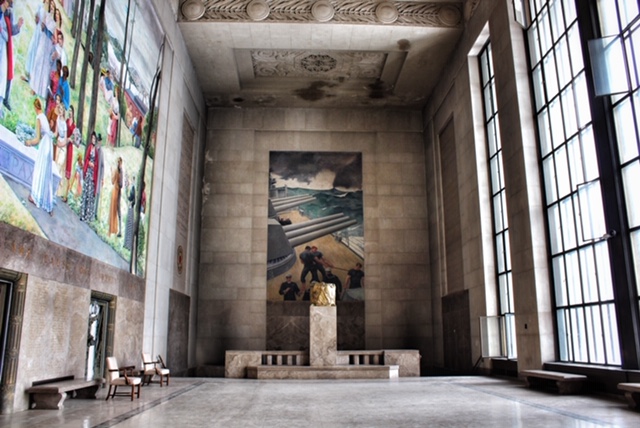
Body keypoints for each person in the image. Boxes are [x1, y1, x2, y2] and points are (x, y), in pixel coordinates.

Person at [24, 98, 54, 216]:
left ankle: (35, 196)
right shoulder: (44, 116)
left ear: (35, 107)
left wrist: (28, 142)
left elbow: (37, 139)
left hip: (44, 145)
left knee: (39, 169)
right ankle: (45, 200)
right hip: (49, 145)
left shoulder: (38, 118)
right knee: (45, 172)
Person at [2, 0, 23, 112]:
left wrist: (18, 26)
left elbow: (10, 31)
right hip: (2, 43)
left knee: (8, 71)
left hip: (7, 45)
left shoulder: (10, 12)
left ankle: (6, 98)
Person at [79, 132, 100, 222]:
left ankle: (88, 215)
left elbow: (97, 164)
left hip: (92, 174)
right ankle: (82, 214)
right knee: (85, 193)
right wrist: (88, 164)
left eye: (95, 139)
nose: (93, 140)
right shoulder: (89, 148)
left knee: (90, 194)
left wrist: (93, 165)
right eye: (92, 139)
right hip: (88, 172)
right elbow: (86, 158)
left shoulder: (96, 151)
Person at [108, 157, 123, 236]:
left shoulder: (120, 171)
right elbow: (113, 181)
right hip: (116, 192)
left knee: (116, 210)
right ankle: (112, 228)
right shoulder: (118, 171)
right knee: (113, 209)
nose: (119, 164)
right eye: (118, 163)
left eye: (119, 163)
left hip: (117, 192)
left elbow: (120, 183)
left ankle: (114, 229)